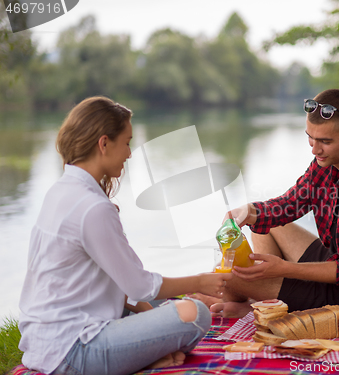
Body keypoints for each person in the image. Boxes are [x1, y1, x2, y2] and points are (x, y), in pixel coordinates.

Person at [18, 96, 232, 375]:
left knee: (163, 305)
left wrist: (151, 311)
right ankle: (140, 357)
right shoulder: (92, 207)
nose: (130, 153)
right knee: (195, 314)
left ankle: (144, 353)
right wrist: (201, 280)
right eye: (127, 142)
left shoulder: (61, 190)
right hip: (72, 351)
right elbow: (140, 285)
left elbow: (121, 285)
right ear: (104, 143)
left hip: (44, 340)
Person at [208, 88, 339, 319]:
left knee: (226, 278)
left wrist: (283, 269)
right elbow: (290, 204)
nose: (314, 149)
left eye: (325, 141)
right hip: (335, 263)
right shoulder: (326, 163)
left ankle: (259, 305)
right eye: (310, 138)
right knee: (263, 224)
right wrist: (249, 211)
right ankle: (264, 303)